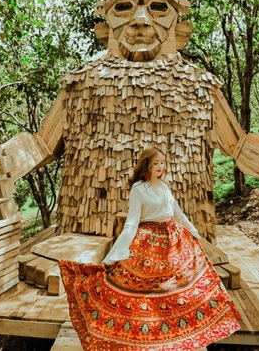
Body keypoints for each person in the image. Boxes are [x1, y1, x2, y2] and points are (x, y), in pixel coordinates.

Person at [58, 147, 241, 351]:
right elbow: (131, 224)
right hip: (148, 241)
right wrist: (114, 254)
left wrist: (194, 232)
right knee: (144, 290)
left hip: (173, 240)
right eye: (156, 163)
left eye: (162, 162)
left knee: (183, 286)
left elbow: (178, 215)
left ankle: (178, 332)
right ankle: (146, 335)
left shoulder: (165, 186)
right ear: (147, 165)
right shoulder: (138, 189)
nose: (160, 167)